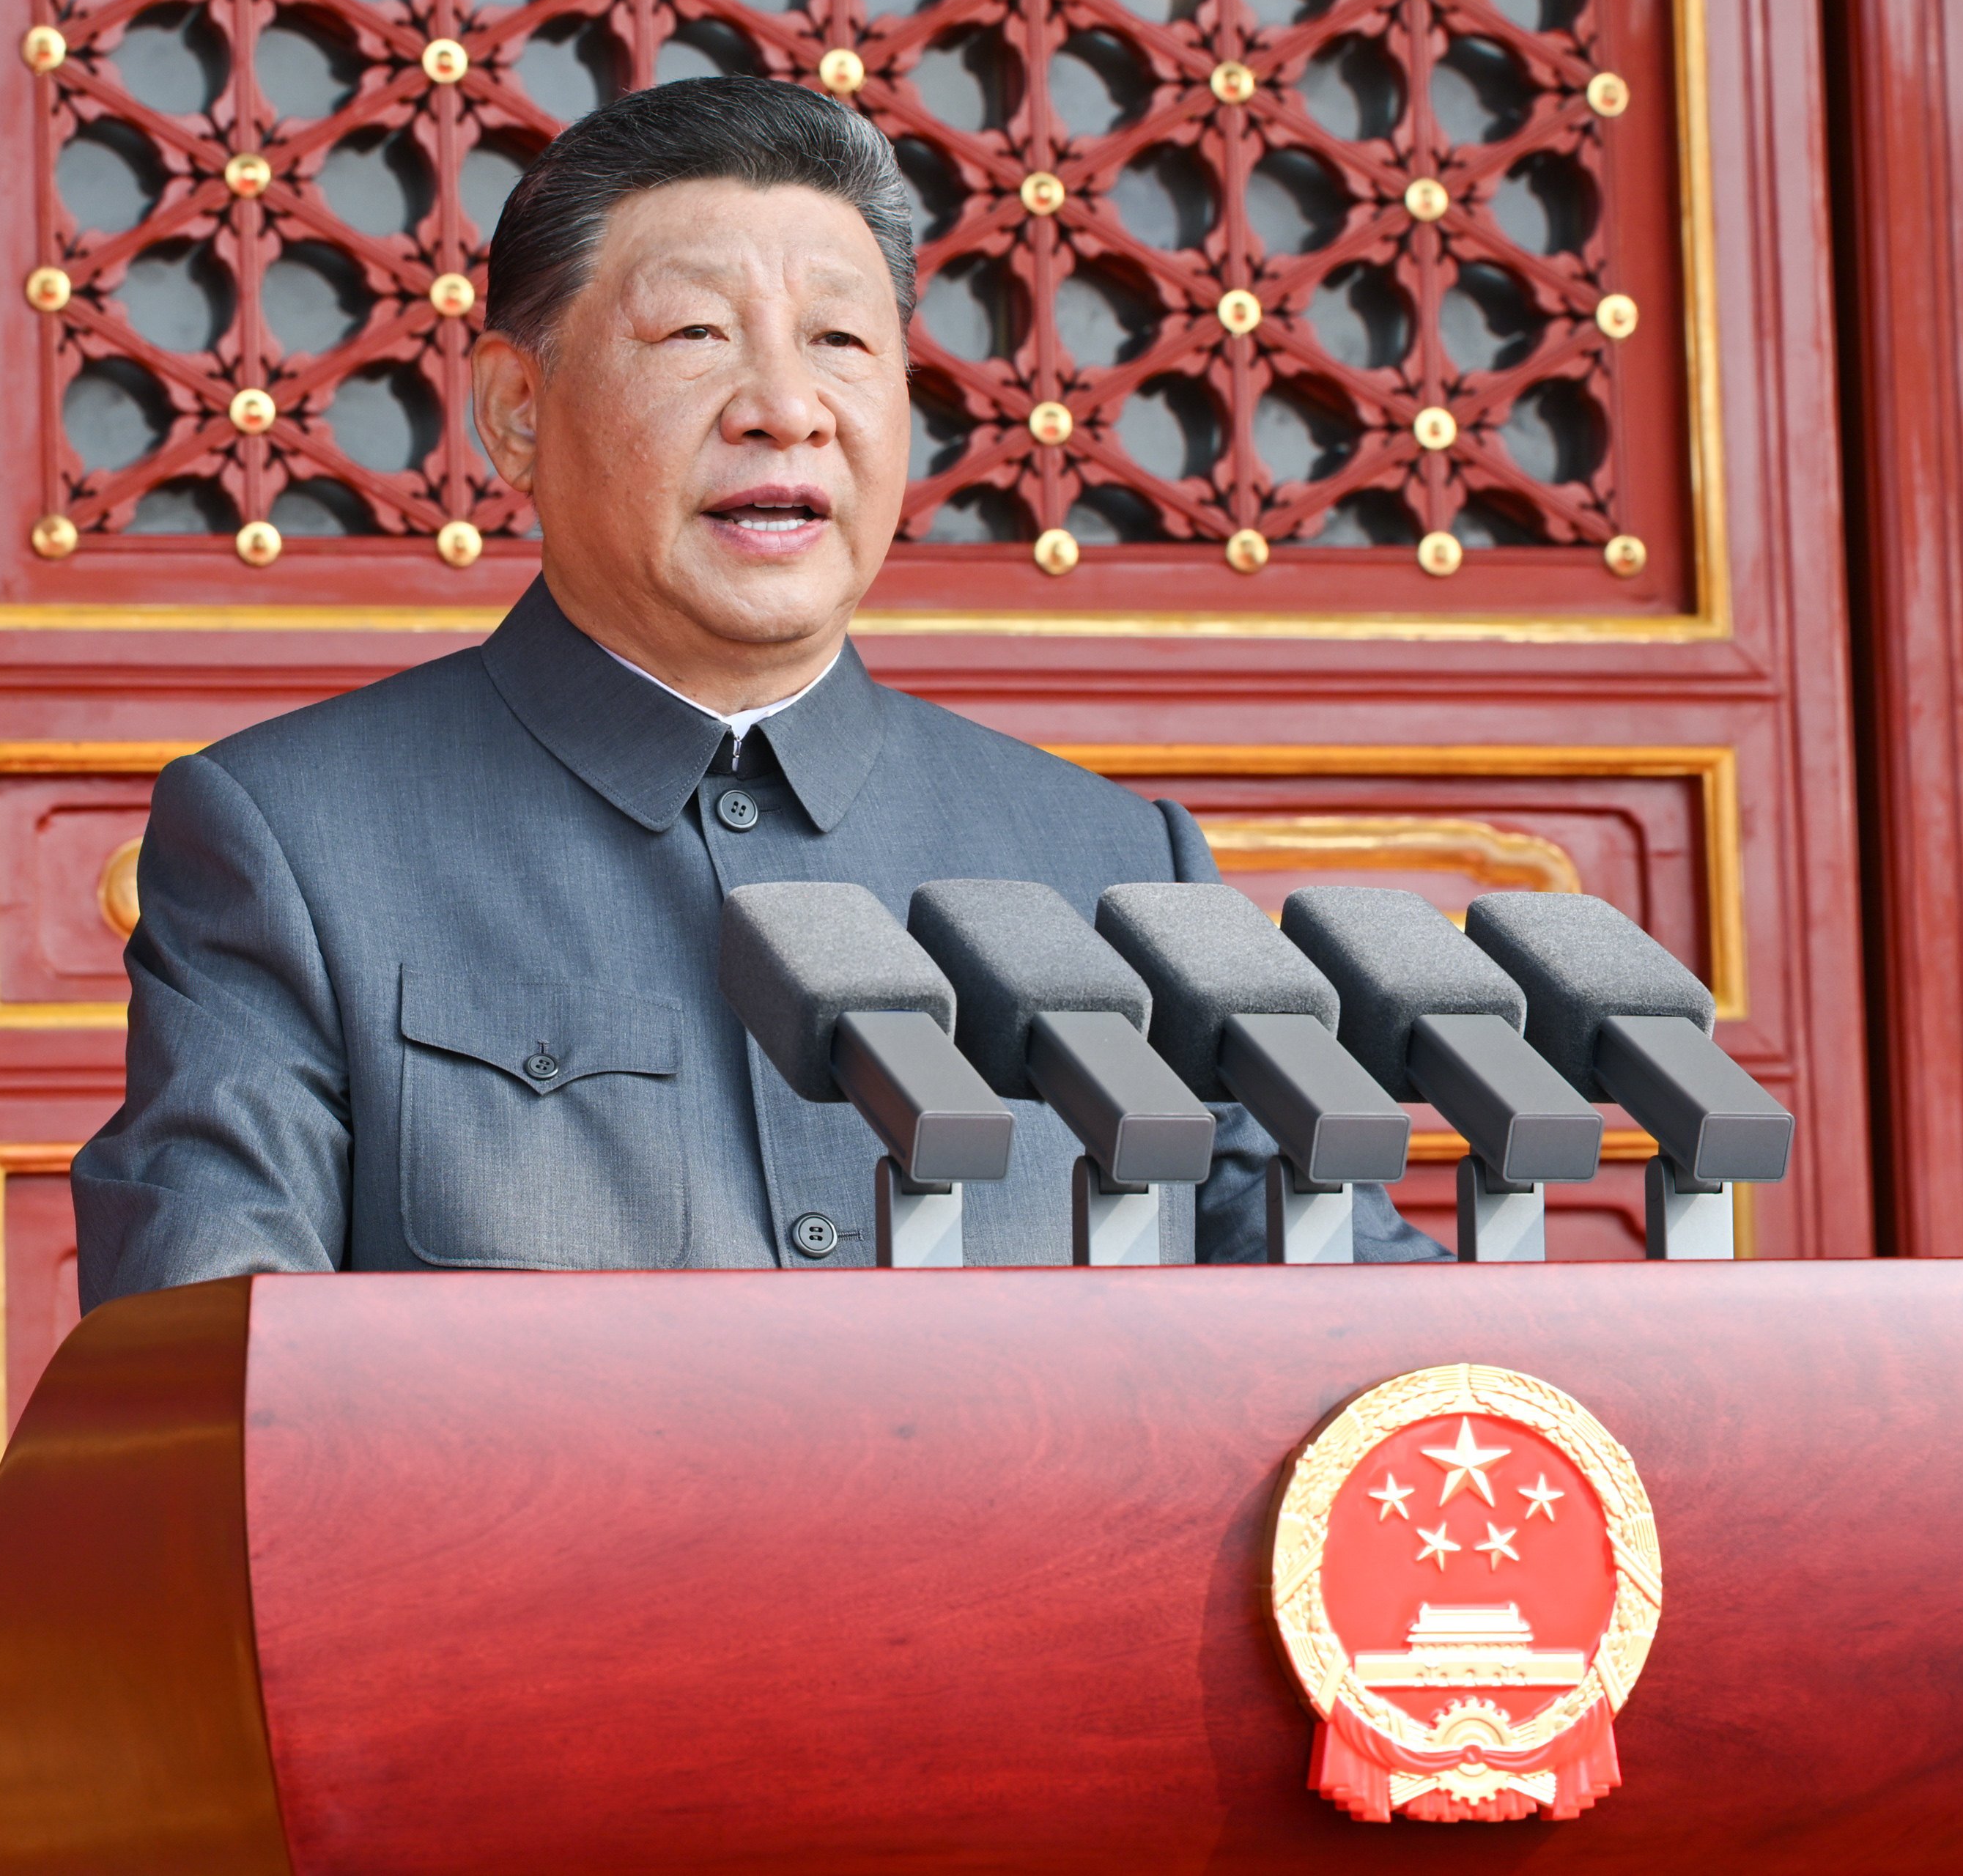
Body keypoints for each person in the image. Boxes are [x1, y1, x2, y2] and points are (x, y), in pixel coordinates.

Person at [73, 76, 1442, 1302]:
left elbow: (1364, 1342)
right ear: (514, 411)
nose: (785, 406)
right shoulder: (298, 843)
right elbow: (208, 1381)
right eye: (696, 337)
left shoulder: (1112, 866)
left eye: (843, 344)